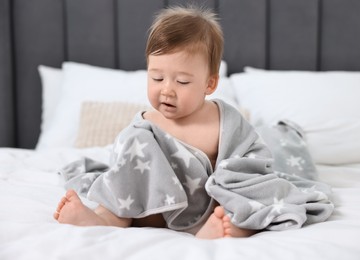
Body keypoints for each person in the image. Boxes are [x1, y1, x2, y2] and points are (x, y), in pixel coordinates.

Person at [54, 5, 333, 239]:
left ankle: (228, 228)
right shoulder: (145, 126)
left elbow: (249, 163)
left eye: (183, 81)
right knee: (124, 192)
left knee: (244, 208)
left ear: (209, 83)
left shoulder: (225, 121)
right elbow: (125, 172)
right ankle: (102, 219)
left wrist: (234, 189)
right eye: (157, 77)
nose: (167, 89)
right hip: (152, 211)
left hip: (209, 205)